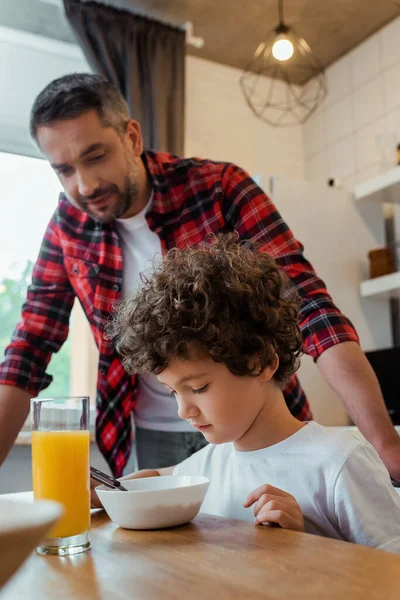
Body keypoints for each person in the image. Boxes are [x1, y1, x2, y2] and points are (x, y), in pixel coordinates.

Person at [0, 73, 400, 479]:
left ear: (132, 138)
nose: (84, 185)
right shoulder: (67, 227)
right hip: (152, 434)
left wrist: (384, 444)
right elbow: (31, 345)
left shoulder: (218, 187)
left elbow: (310, 307)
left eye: (96, 156)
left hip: (257, 423)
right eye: (64, 170)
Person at [95, 234, 400, 552]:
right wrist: (103, 489)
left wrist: (308, 545)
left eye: (198, 388)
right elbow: (160, 476)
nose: (184, 411)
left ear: (262, 362)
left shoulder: (340, 461)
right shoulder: (209, 465)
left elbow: (391, 574)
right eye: (173, 392)